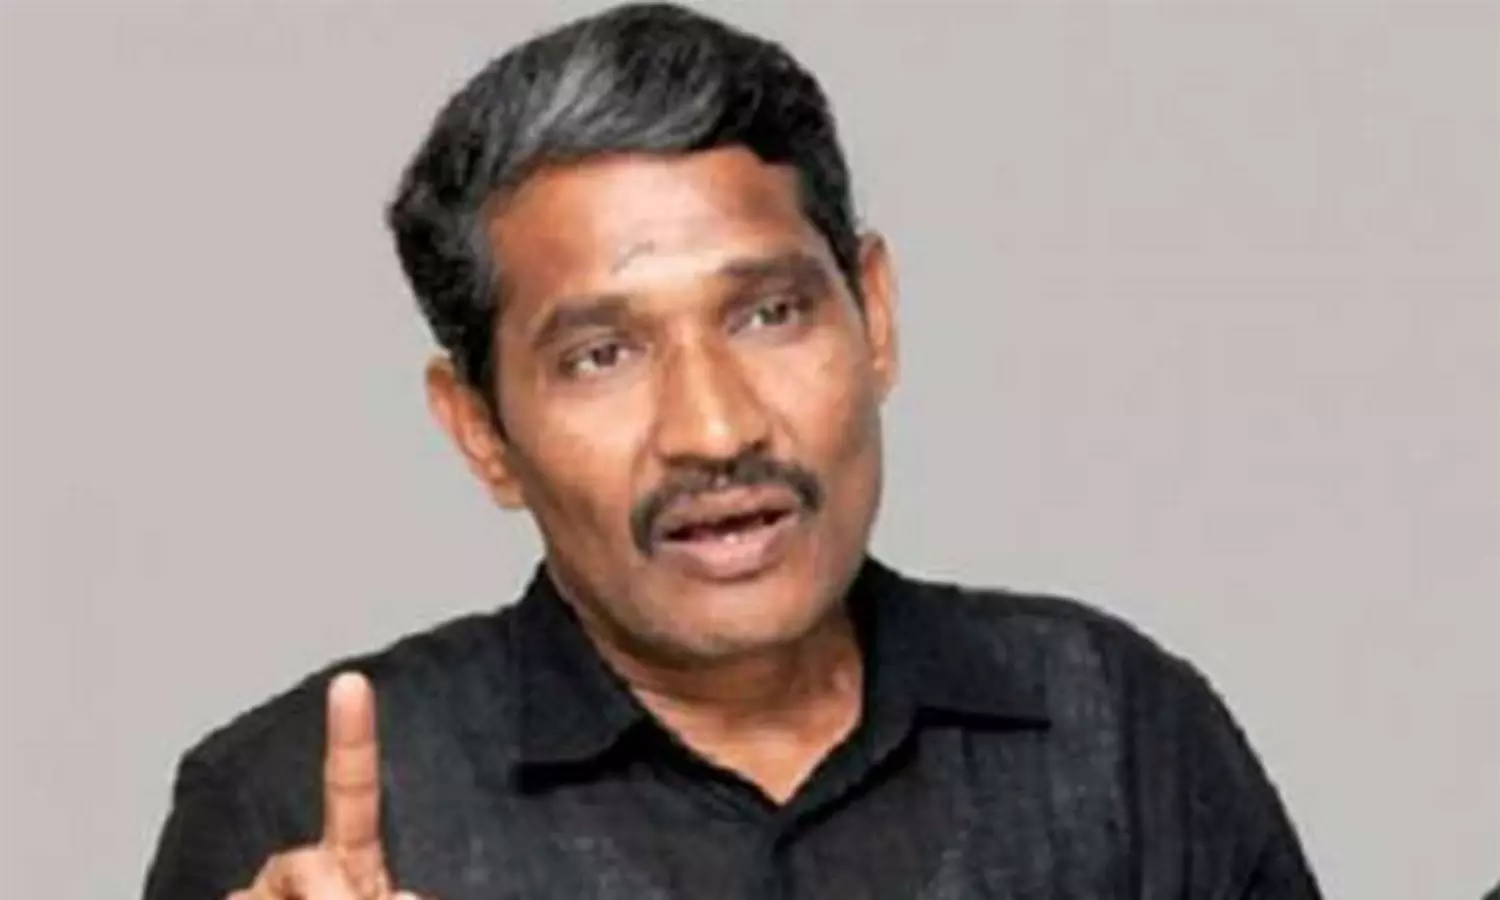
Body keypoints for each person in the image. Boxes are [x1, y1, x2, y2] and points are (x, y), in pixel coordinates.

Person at [143, 3, 1323, 898]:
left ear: (875, 317)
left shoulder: (1113, 730)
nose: (715, 429)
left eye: (769, 314)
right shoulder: (291, 814)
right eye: (602, 354)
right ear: (481, 431)